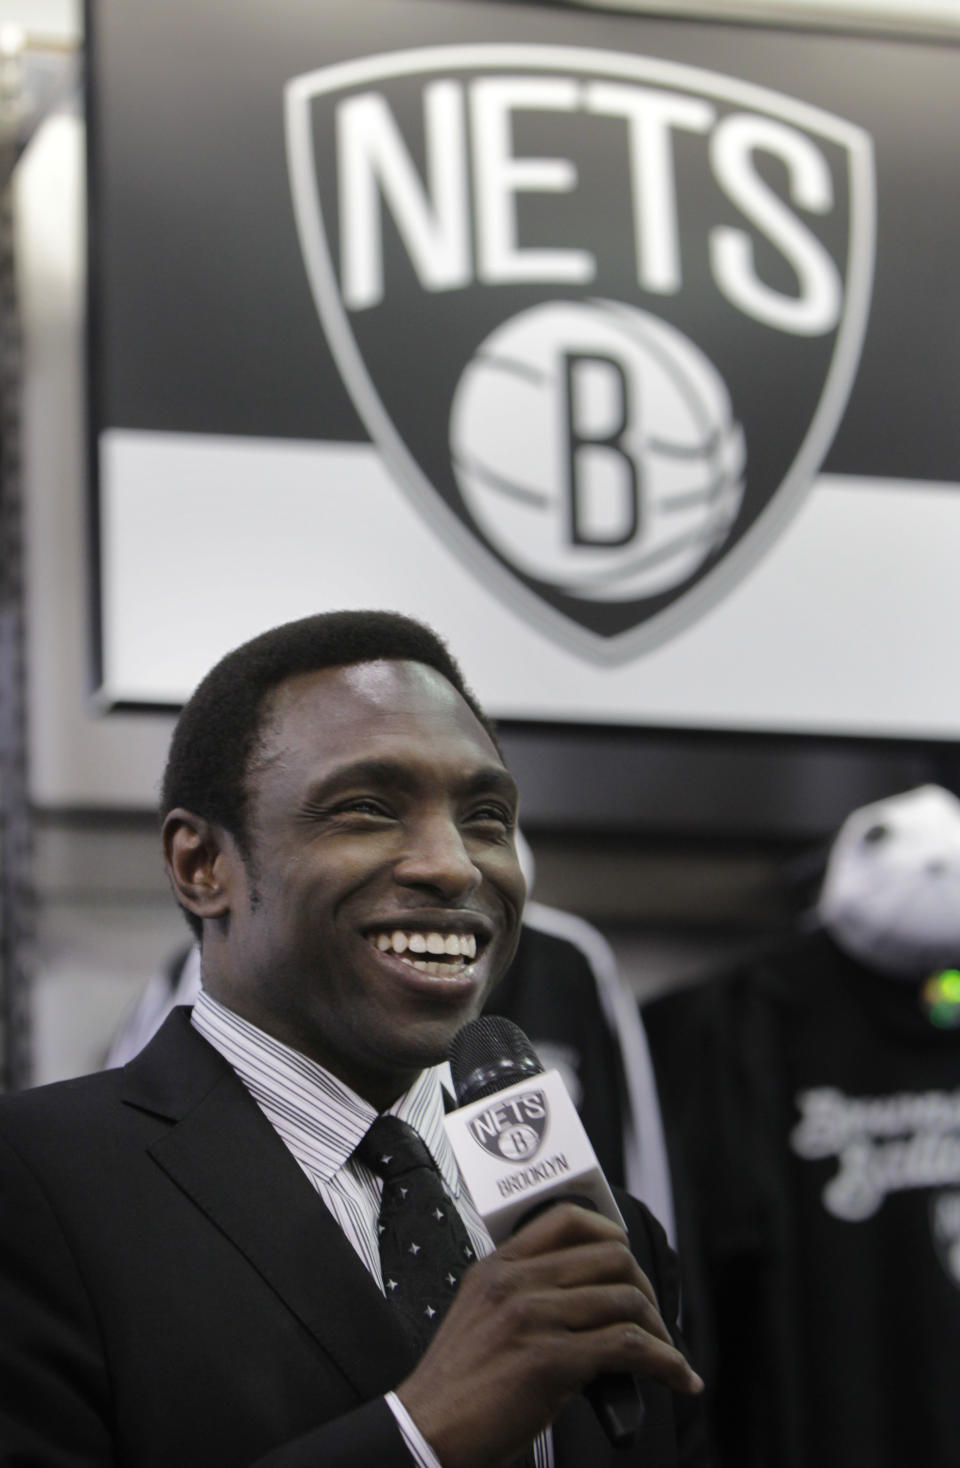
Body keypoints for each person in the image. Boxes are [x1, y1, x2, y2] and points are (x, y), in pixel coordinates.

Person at [0, 610, 705, 1467]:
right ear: (201, 866)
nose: (454, 865)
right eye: (368, 808)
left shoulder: (603, 1238)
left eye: (486, 816)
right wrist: (420, 1435)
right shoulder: (38, 1190)